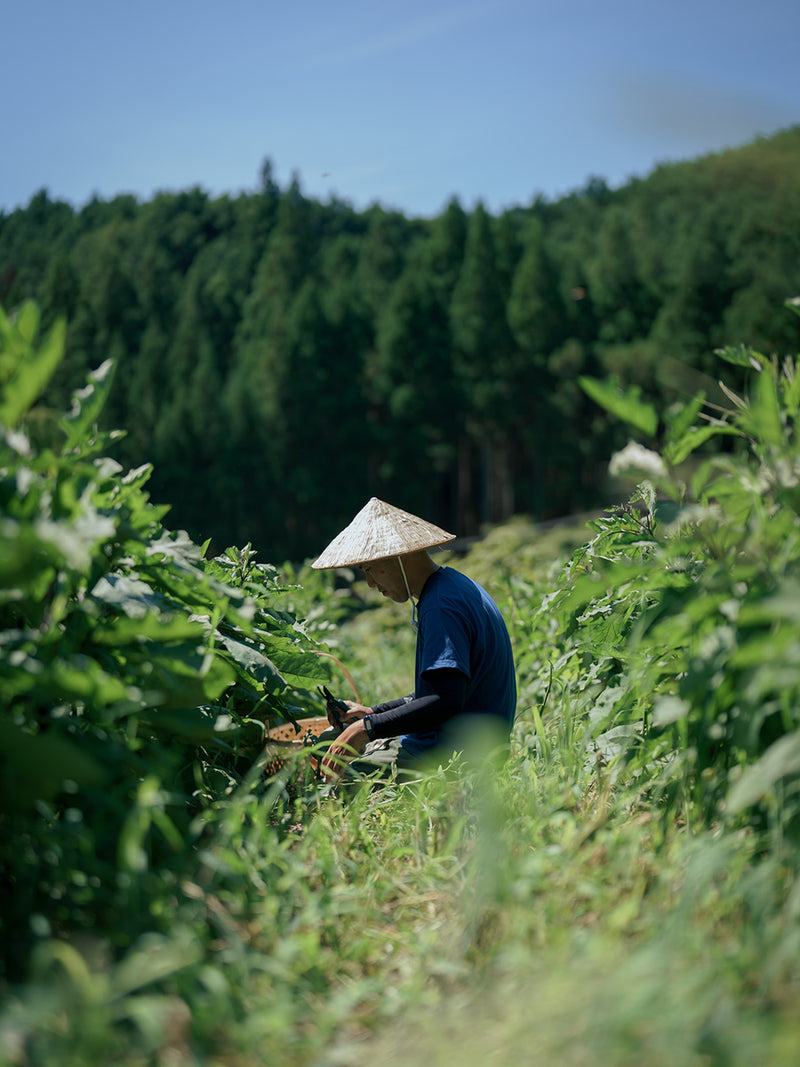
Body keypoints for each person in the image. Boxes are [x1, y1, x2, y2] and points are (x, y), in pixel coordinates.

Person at [310, 497, 517, 782]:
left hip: (457, 757)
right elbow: (442, 691)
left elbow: (444, 701)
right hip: (459, 743)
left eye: (370, 569)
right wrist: (372, 713)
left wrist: (366, 728)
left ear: (399, 556)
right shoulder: (451, 587)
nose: (370, 583)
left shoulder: (441, 606)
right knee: (329, 740)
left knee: (332, 763)